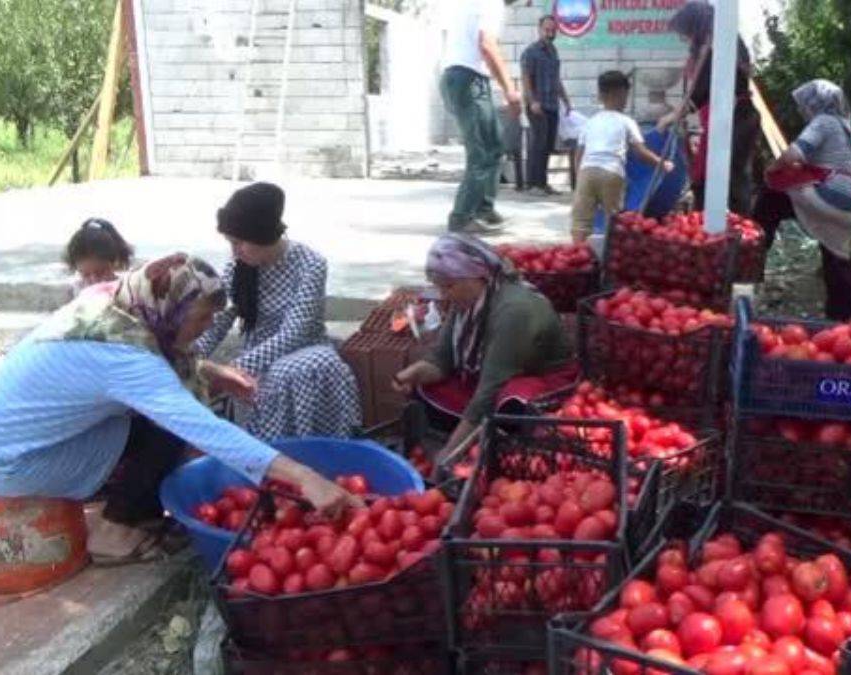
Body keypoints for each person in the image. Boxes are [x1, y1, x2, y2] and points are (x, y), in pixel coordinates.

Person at [0, 254, 359, 562]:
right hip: (17, 461)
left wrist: (210, 370)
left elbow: (156, 359)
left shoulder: (114, 303)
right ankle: (113, 533)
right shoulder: (123, 356)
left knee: (163, 412)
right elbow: (204, 429)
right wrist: (304, 477)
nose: (207, 327)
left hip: (11, 438)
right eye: (202, 317)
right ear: (171, 308)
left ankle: (131, 506)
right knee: (169, 428)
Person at [194, 183, 362, 440]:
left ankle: (314, 450)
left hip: (306, 351)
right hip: (257, 359)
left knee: (311, 367)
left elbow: (294, 333)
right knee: (258, 381)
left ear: (262, 235)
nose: (234, 251)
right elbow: (216, 323)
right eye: (230, 243)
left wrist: (232, 369)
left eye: (239, 243)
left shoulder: (310, 265)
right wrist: (189, 359)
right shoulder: (237, 269)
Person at [392, 234, 577, 455]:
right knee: (423, 390)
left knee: (510, 402)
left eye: (449, 286)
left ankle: (500, 440)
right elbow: (443, 359)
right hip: (491, 377)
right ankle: (480, 434)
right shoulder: (467, 302)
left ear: (477, 276)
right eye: (439, 287)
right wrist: (414, 373)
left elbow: (491, 389)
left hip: (540, 384)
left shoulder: (514, 311)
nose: (444, 295)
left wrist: (450, 452)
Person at [751, 79, 851, 321]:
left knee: (772, 197)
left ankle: (750, 259)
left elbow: (791, 157)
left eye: (805, 105)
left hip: (831, 199)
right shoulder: (846, 128)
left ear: (816, 104)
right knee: (834, 257)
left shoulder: (824, 122)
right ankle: (846, 318)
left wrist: (771, 171)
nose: (802, 111)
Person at [658, 1, 760, 215]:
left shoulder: (719, 41)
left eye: (684, 34)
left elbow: (702, 88)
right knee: (710, 177)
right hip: (728, 118)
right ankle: (709, 223)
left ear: (694, 27)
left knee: (731, 181)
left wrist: (675, 115)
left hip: (736, 119)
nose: (684, 40)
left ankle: (738, 233)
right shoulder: (720, 40)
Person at [440, 0, 521, 235]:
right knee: (482, 153)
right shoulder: (490, 3)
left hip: (465, 78)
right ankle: (461, 217)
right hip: (467, 79)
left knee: (495, 147)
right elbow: (487, 46)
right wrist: (510, 90)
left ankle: (483, 208)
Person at [572, 71, 675, 244]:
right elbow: (640, 152)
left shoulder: (590, 122)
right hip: (612, 173)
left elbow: (579, 154)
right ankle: (610, 257)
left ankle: (578, 254)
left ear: (600, 95)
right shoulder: (626, 121)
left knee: (581, 220)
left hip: (586, 172)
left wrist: (579, 178)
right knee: (613, 219)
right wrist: (662, 163)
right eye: (626, 96)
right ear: (621, 95)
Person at [520, 15, 572, 196]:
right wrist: (532, 101)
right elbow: (526, 79)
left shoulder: (554, 52)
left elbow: (556, 79)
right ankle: (534, 184)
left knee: (548, 145)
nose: (550, 34)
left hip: (552, 105)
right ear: (539, 29)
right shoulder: (530, 52)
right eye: (547, 30)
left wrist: (565, 99)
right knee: (539, 144)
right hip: (537, 105)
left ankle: (543, 183)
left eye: (553, 31)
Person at [65, 218, 133, 289]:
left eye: (101, 273)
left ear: (115, 263)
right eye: (86, 275)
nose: (94, 281)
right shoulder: (75, 289)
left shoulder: (127, 288)